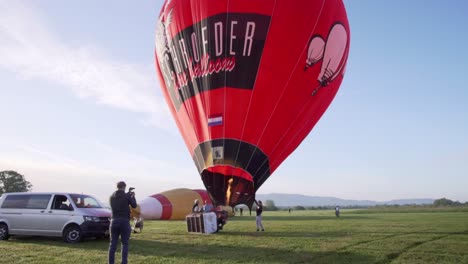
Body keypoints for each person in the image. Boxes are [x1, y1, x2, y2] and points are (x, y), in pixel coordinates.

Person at [108, 181, 137, 264]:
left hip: (113, 221)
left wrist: (128, 195)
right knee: (125, 244)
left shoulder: (111, 196)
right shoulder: (127, 196)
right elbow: (134, 205)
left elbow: (120, 199)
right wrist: (132, 196)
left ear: (117, 187)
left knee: (112, 244)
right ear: (124, 187)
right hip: (124, 221)